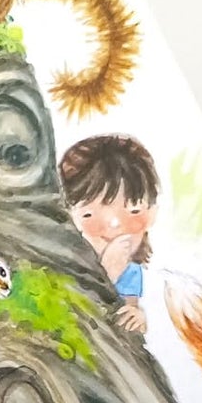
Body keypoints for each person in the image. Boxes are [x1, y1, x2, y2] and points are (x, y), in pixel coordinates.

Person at [59, 133, 159, 333]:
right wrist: (107, 273)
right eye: (88, 215)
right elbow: (73, 314)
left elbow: (126, 313)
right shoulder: (65, 264)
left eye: (134, 211)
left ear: (151, 214)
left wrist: (136, 318)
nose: (114, 227)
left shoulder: (131, 271)